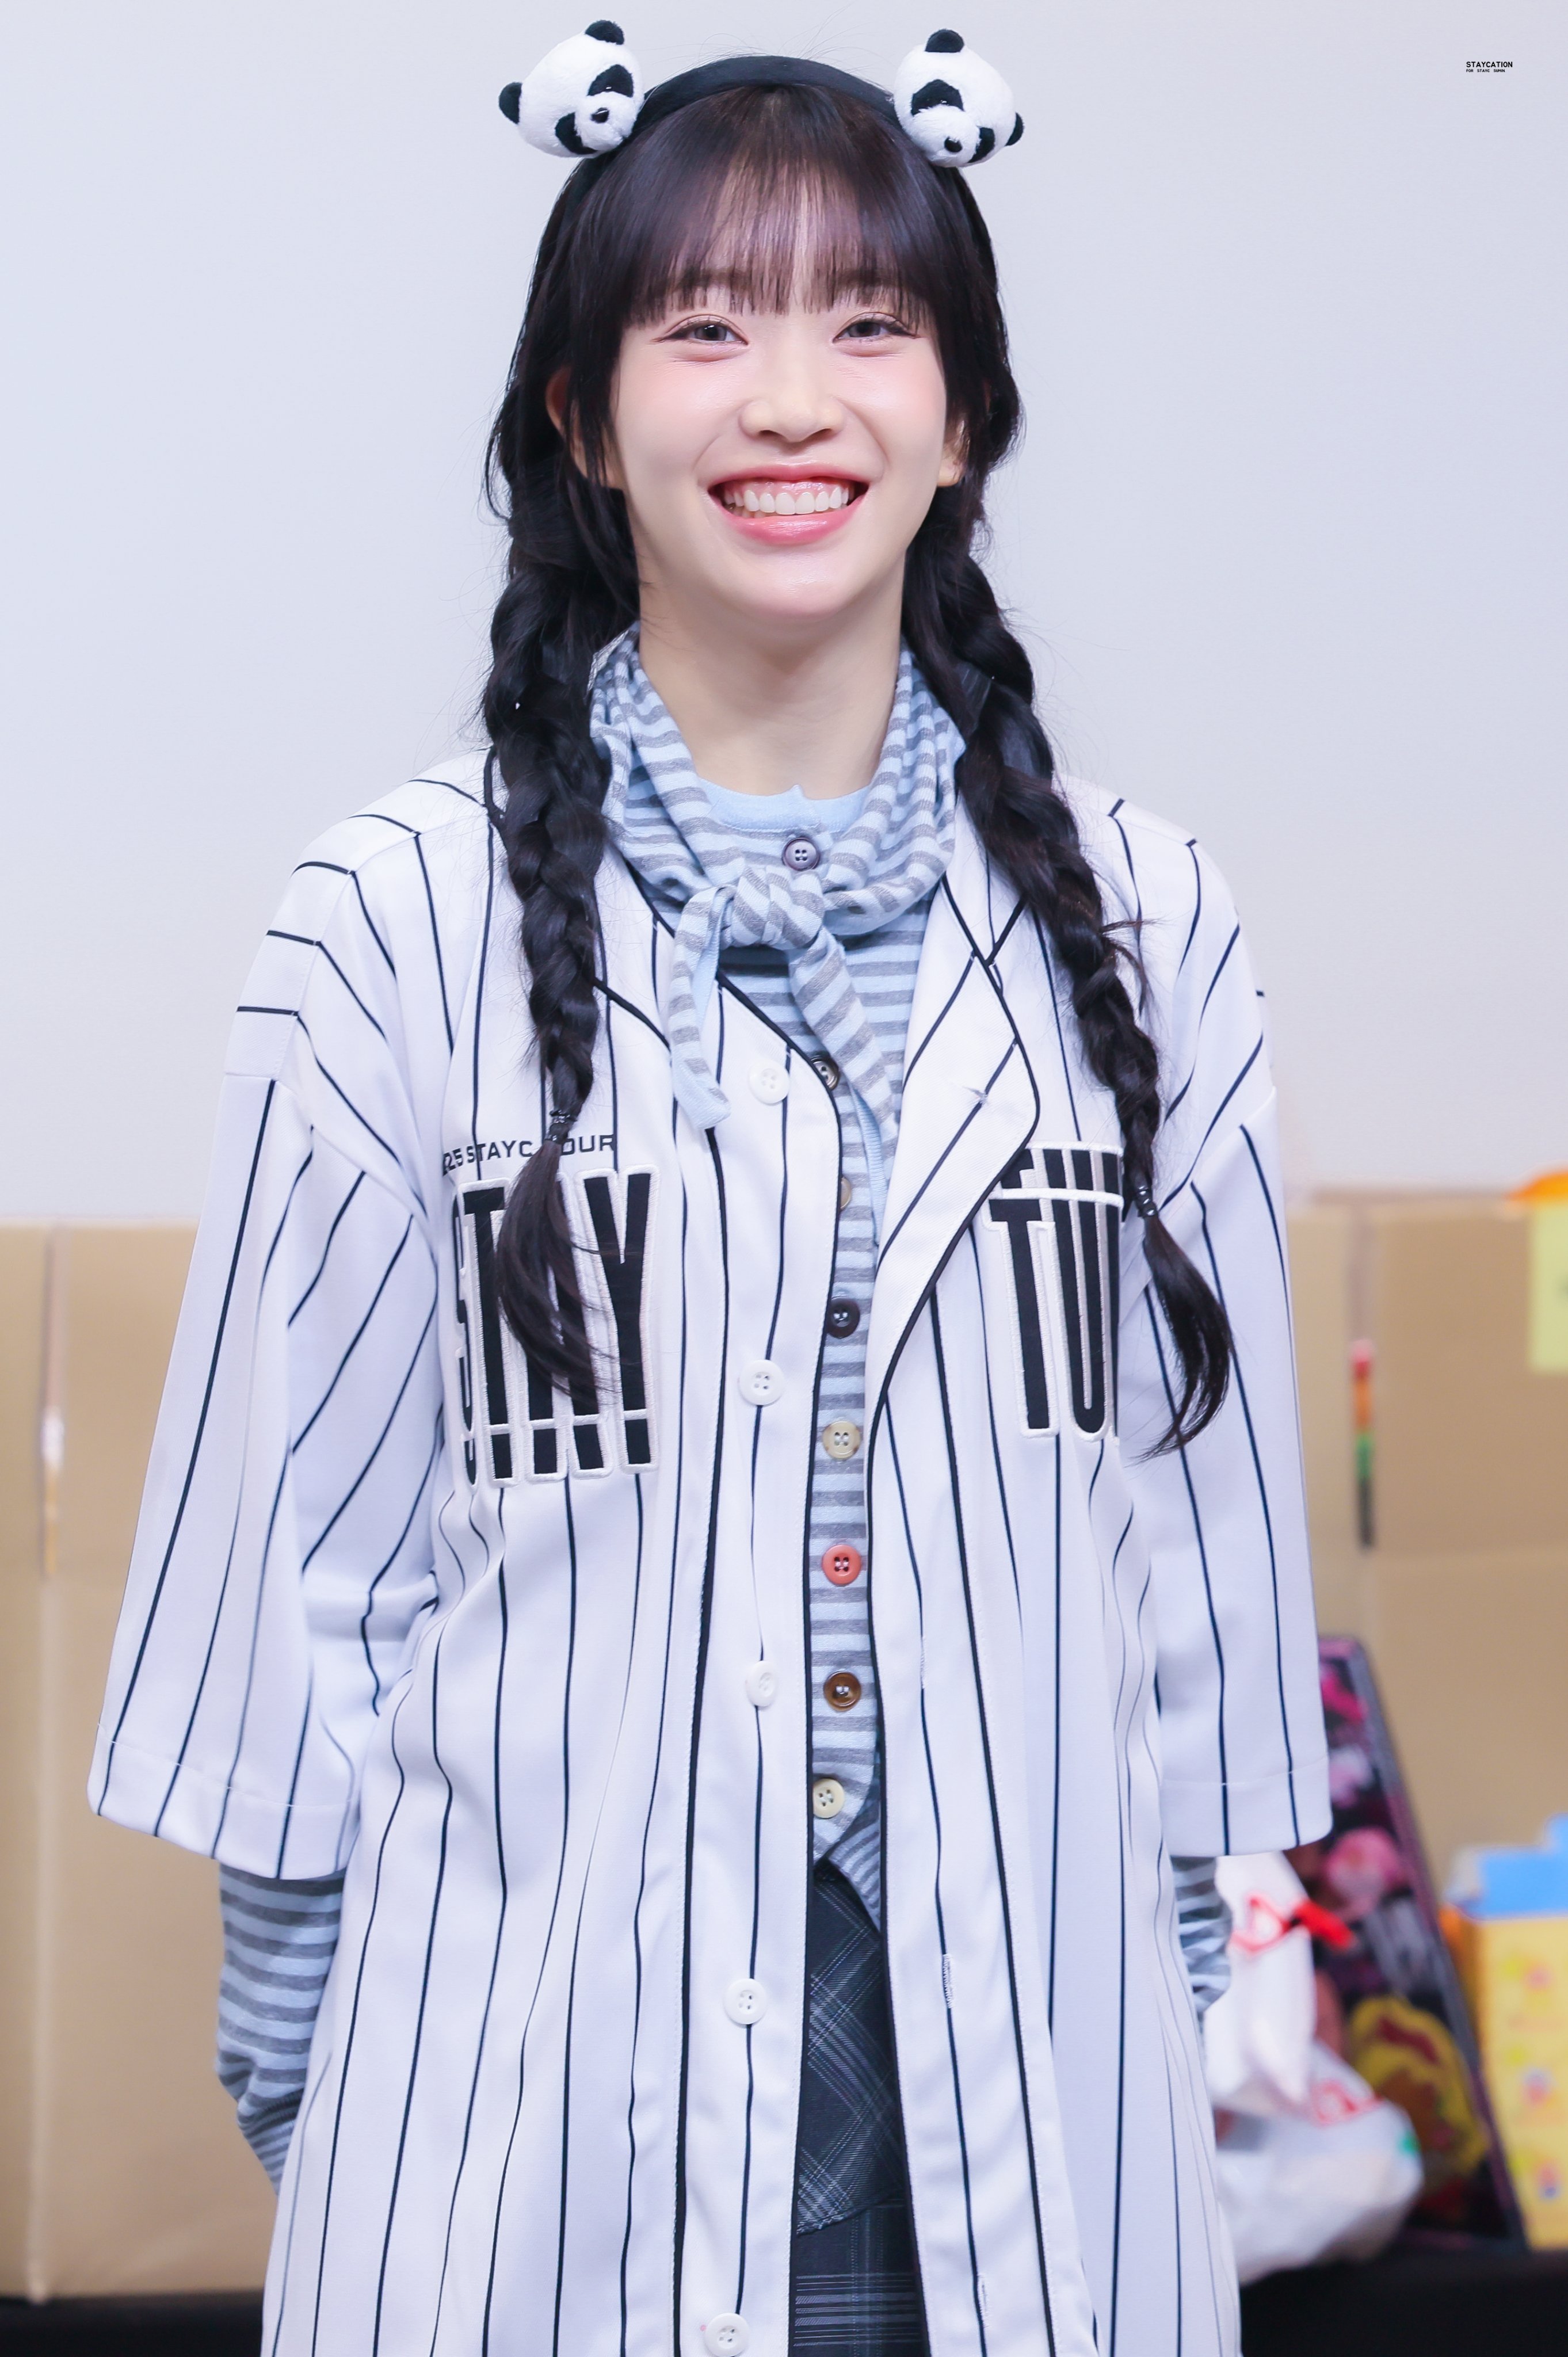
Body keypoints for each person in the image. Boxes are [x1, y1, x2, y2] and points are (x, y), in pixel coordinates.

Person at [93, 29, 1329, 2357]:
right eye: (704, 324)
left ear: (962, 421)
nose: (790, 399)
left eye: (869, 322)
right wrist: (354, 2100)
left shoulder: (1156, 928)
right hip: (519, 2127)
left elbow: (1202, 1569)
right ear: (580, 419)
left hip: (1035, 2131)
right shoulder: (389, 926)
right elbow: (299, 1586)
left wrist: (1155, 2004)